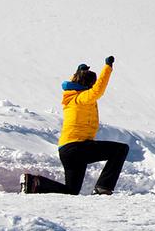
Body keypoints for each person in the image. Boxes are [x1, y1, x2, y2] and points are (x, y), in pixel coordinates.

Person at [20, 55, 130, 195]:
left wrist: (80, 71)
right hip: (78, 147)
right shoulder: (81, 98)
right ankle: (103, 187)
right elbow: (98, 90)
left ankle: (33, 183)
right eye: (91, 84)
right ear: (87, 85)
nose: (93, 86)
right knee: (120, 150)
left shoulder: (72, 97)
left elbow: (84, 84)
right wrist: (107, 67)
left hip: (67, 150)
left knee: (71, 191)